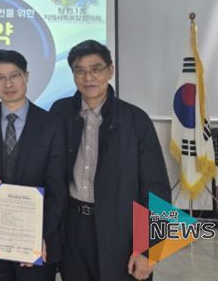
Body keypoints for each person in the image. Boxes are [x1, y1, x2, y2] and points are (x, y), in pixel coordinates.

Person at [49, 40, 170, 281]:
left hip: (121, 229)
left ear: (110, 70)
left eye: (96, 69)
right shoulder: (59, 113)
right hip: (72, 227)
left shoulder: (135, 120)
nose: (88, 77)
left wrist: (150, 250)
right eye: (80, 71)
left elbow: (156, 187)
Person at [0, 50, 64, 281]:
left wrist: (43, 235)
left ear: (26, 76)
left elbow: (57, 188)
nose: (8, 84)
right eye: (0, 78)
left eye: (15, 75)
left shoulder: (52, 124)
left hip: (33, 239)